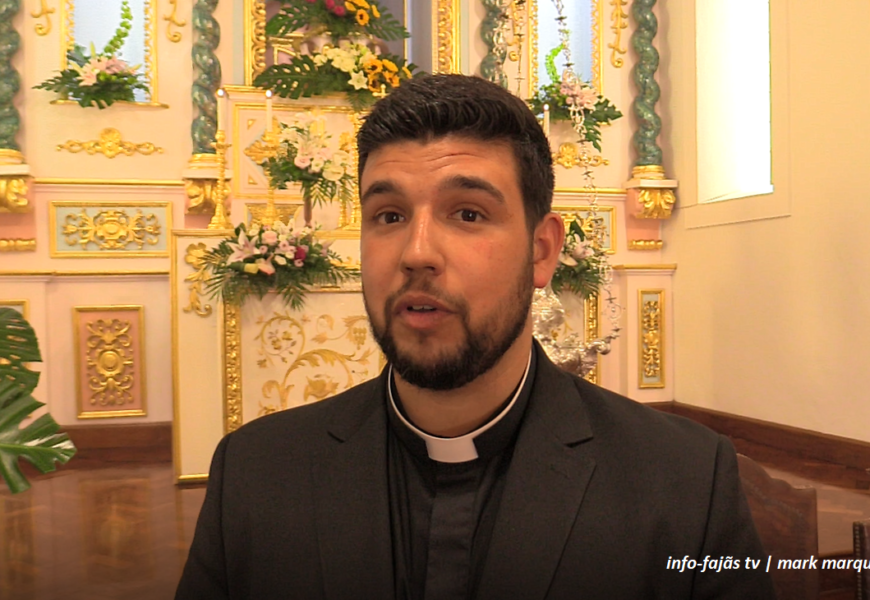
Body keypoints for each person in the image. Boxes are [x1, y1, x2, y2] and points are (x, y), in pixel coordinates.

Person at [176, 74, 775, 599]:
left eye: (467, 214)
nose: (416, 253)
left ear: (542, 252)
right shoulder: (256, 474)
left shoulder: (682, 480)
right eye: (388, 216)